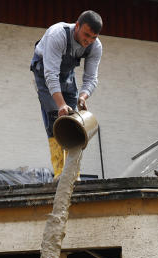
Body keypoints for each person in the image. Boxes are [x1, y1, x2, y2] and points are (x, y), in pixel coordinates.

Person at [30, 10, 103, 176]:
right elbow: (51, 74)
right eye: (86, 35)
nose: (88, 41)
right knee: (55, 119)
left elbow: (91, 78)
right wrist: (61, 105)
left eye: (93, 37)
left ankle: (72, 175)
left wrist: (83, 96)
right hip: (44, 71)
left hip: (66, 74)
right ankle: (59, 174)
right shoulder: (58, 35)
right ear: (77, 26)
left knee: (73, 122)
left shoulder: (95, 46)